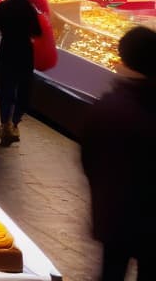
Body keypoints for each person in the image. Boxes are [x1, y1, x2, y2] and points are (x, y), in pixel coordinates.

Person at [81, 26, 156, 281]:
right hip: (150, 220)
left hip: (114, 215)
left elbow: (89, 158)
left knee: (111, 270)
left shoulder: (109, 106)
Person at [0, 0, 42, 146]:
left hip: (7, 50)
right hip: (24, 53)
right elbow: (37, 32)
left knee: (7, 90)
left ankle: (5, 124)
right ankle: (15, 123)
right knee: (23, 91)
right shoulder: (29, 9)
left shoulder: (2, 7)